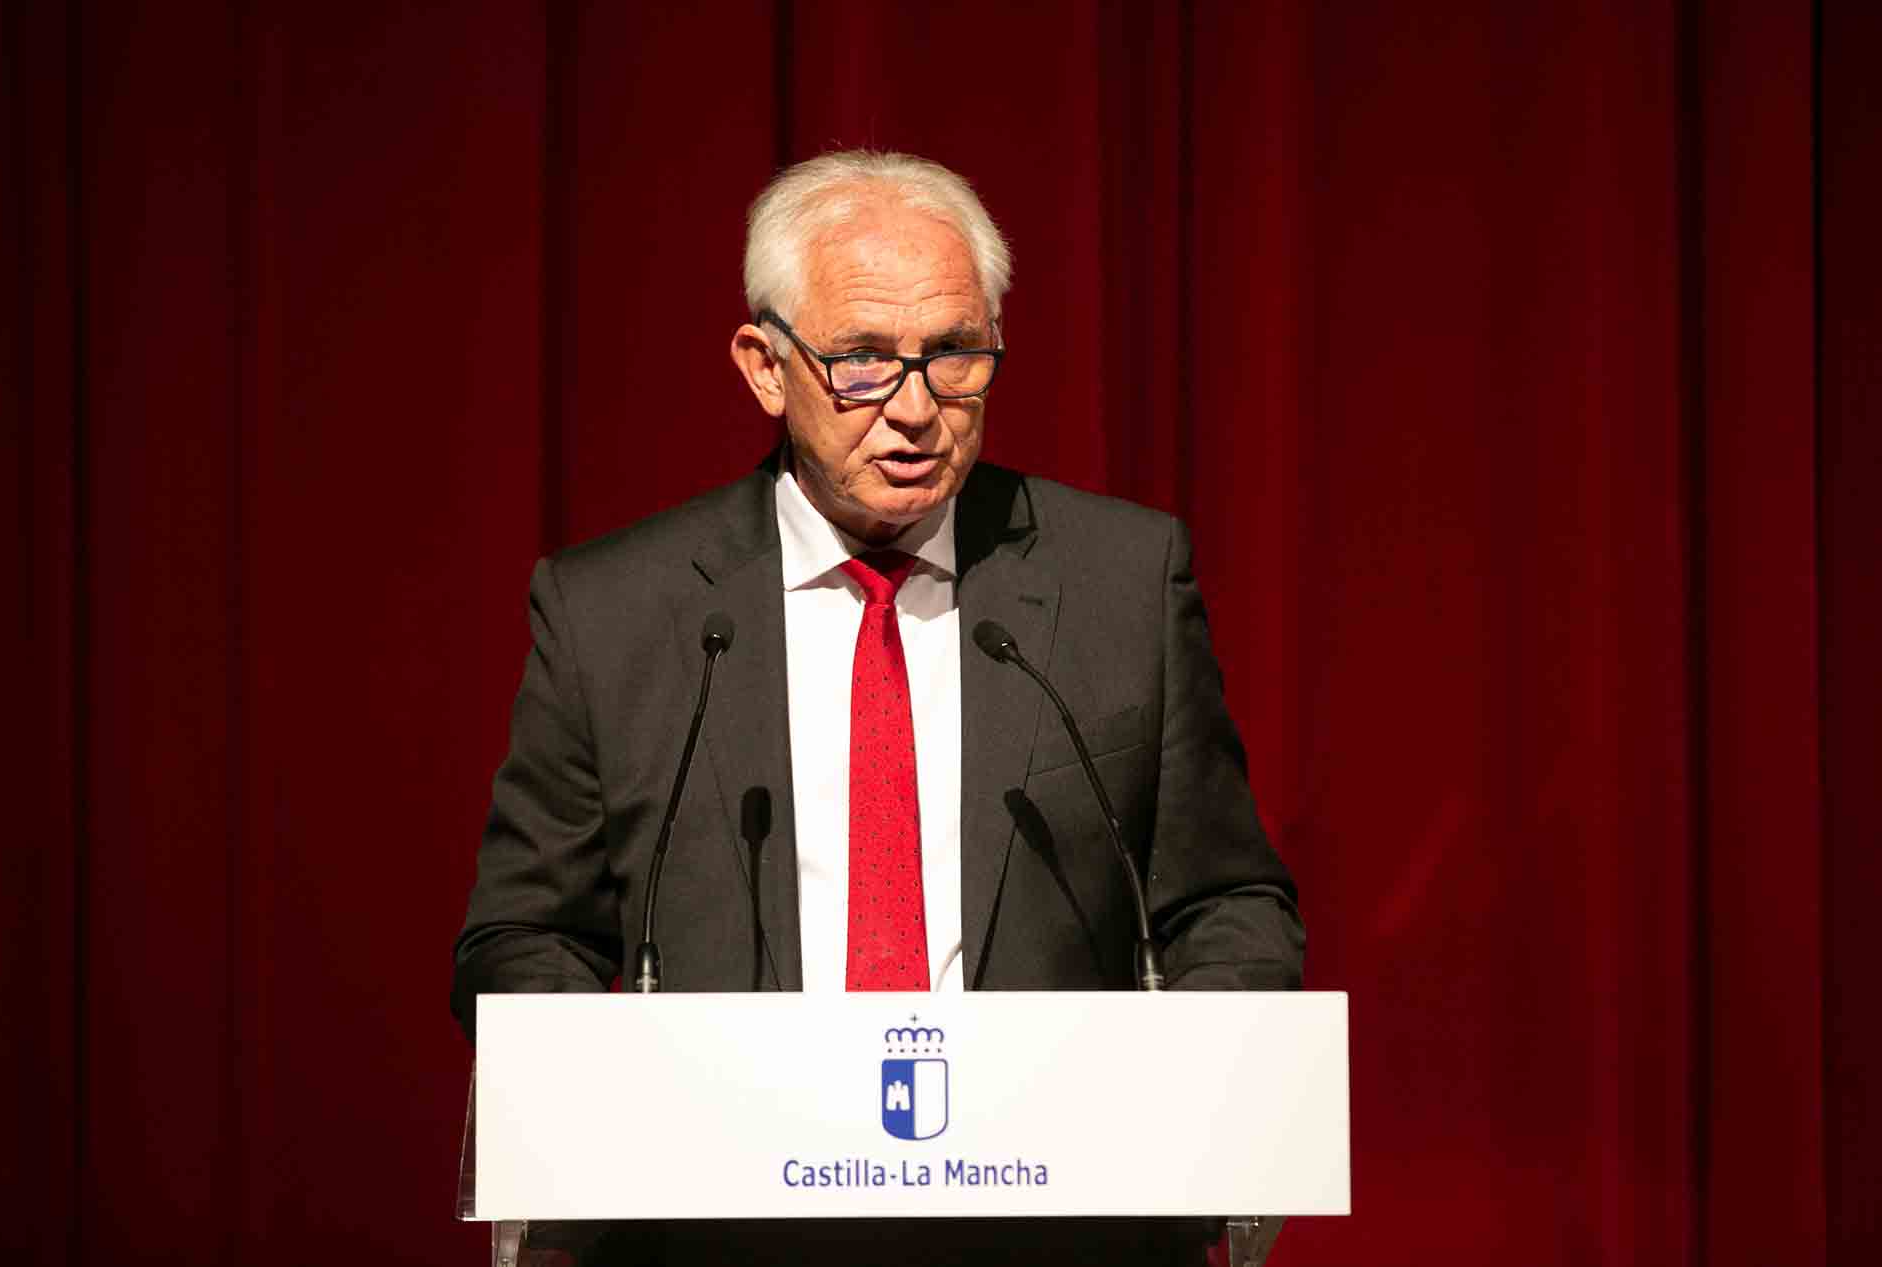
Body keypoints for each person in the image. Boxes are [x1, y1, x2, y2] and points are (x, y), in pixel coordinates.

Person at [451, 149, 1303, 1267]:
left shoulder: (1120, 583)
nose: (914, 410)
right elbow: (527, 935)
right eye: (859, 360)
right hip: (722, 1242)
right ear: (765, 367)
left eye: (953, 355)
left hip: (1053, 1234)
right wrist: (620, 1114)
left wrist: (1187, 1113)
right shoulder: (617, 612)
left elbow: (1227, 905)